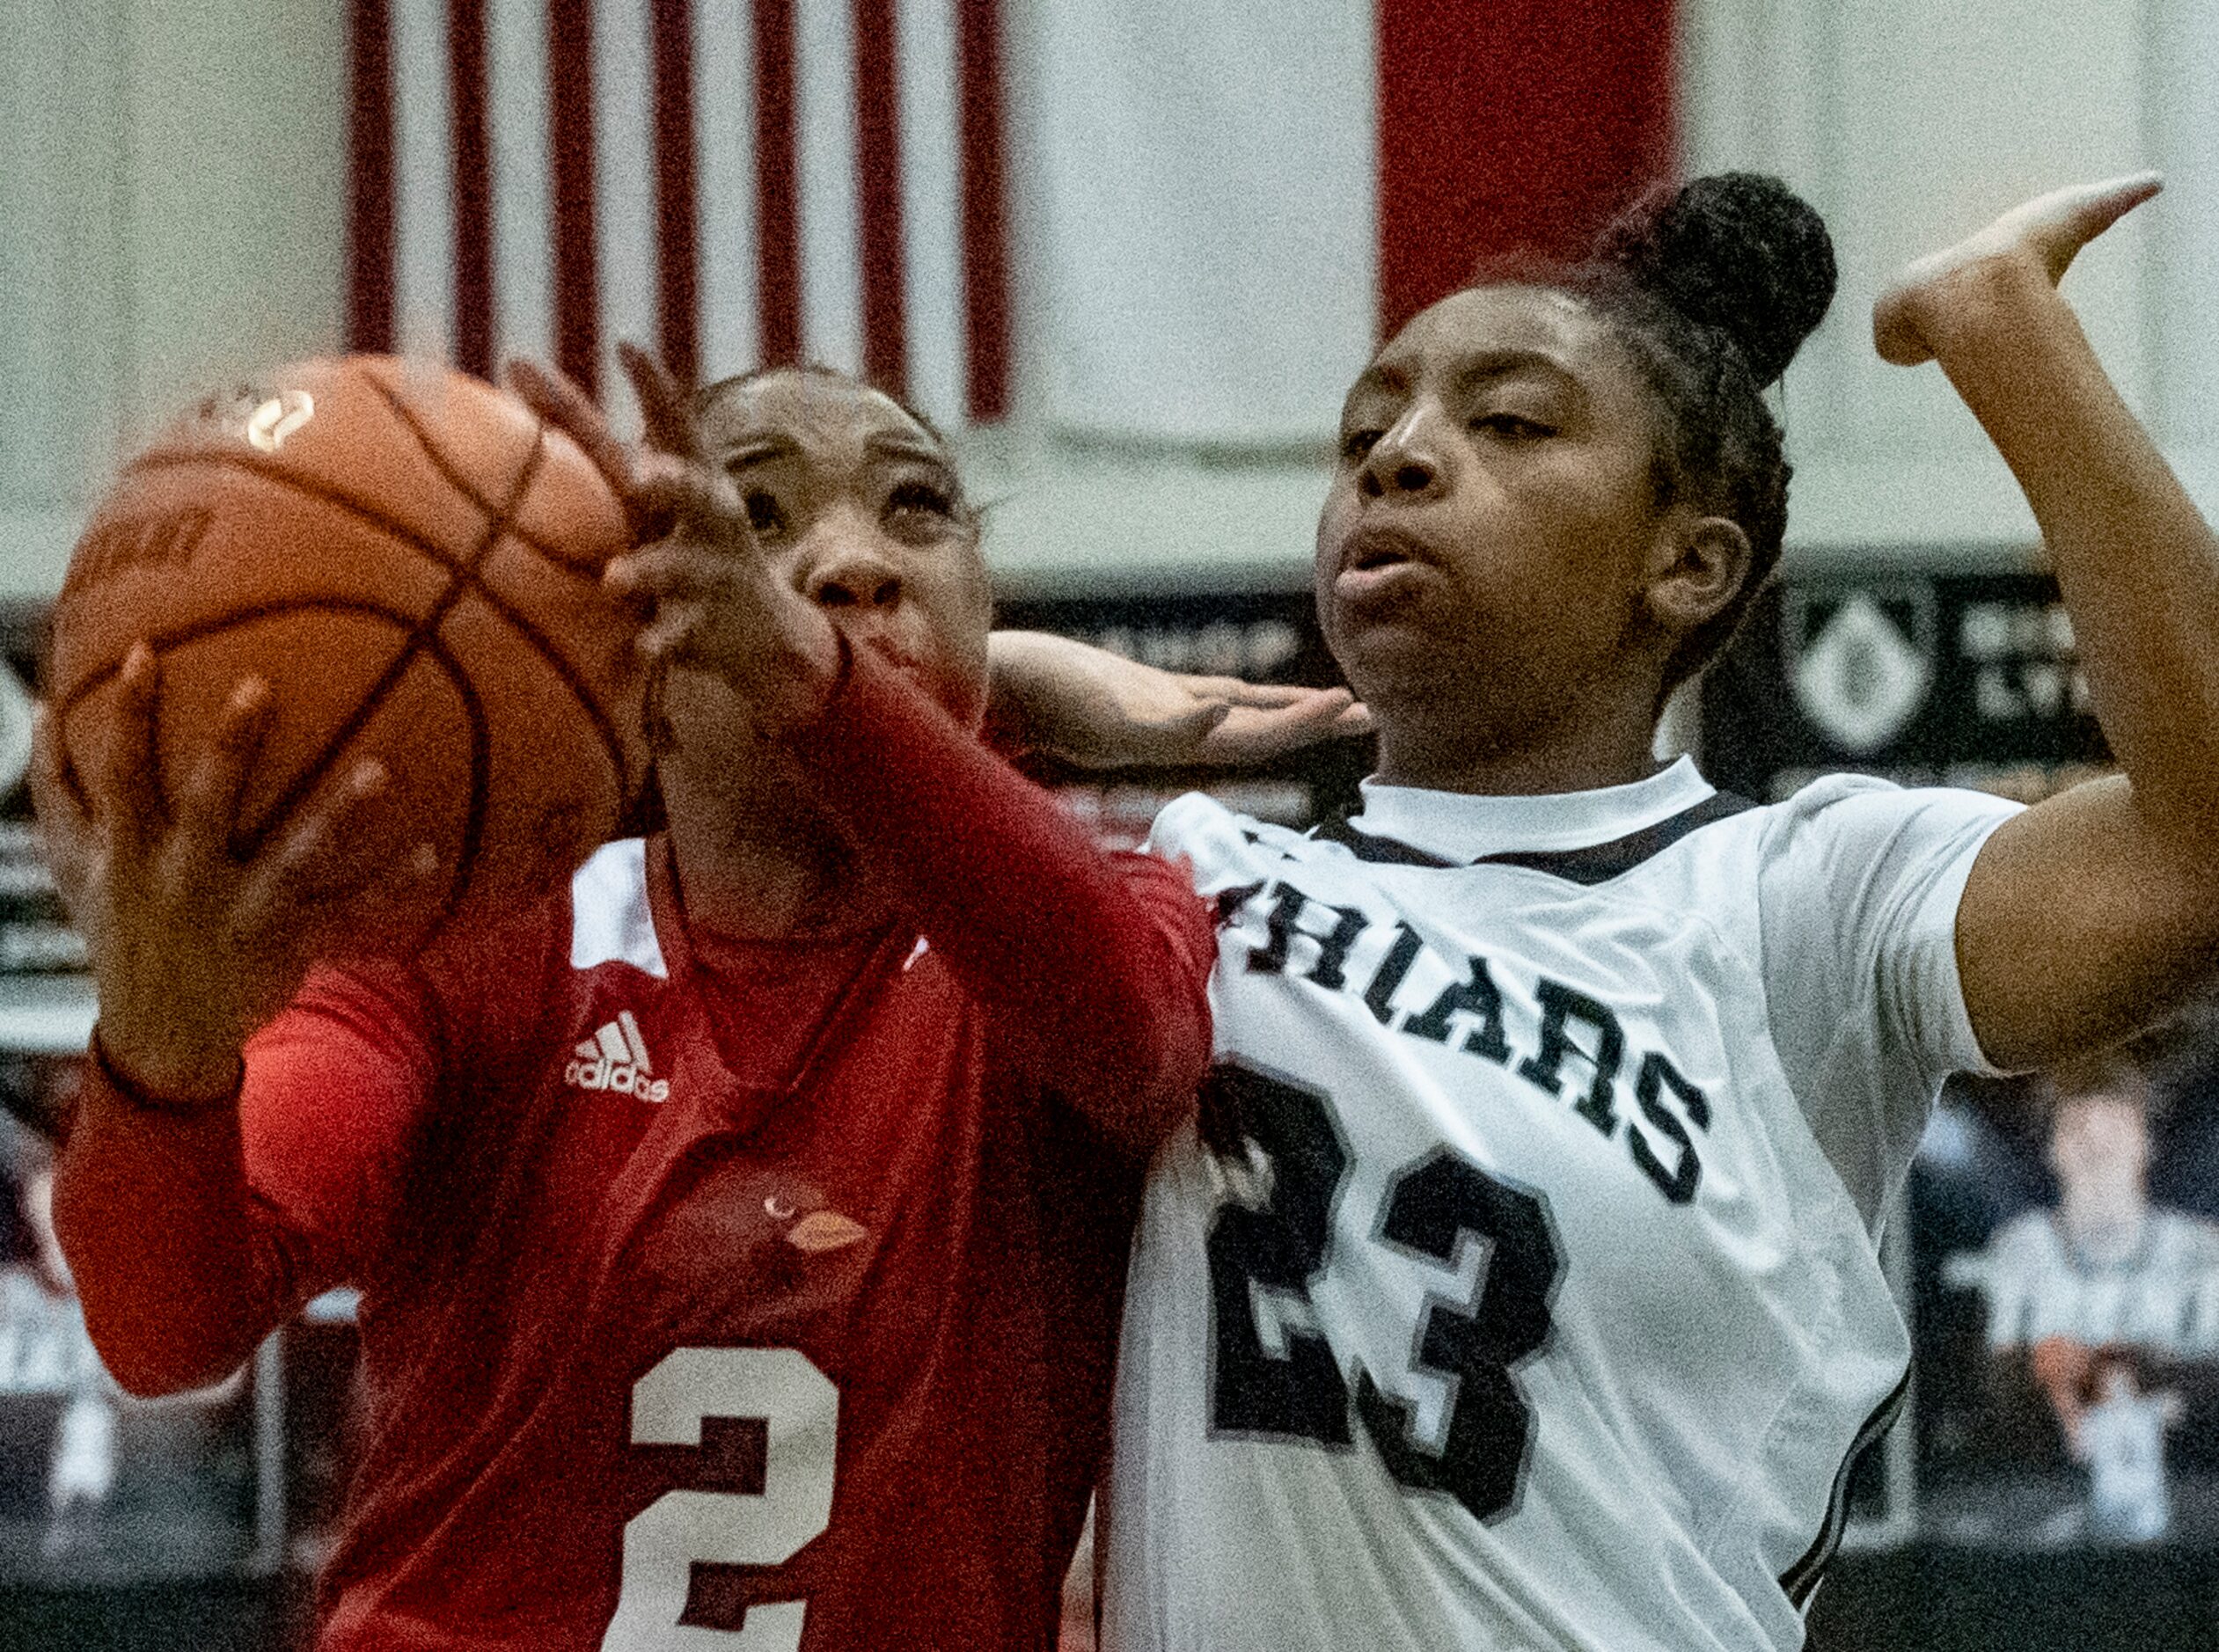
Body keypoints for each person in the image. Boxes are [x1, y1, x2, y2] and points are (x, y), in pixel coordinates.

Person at [37, 352, 1361, 1650]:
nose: (850, 560)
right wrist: (163, 1051)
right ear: (629, 653)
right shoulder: (485, 936)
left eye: (917, 505)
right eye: (752, 517)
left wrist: (838, 681)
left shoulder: (1117, 911)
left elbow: (1125, 1035)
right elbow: (165, 1329)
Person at [1101, 171, 2219, 1651]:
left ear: (1687, 563)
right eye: (1368, 434)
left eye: (1507, 422)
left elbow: (2194, 851)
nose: (1402, 459)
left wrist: (2005, 336)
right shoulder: (1195, 877)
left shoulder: (1803, 898)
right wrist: (1007, 687)